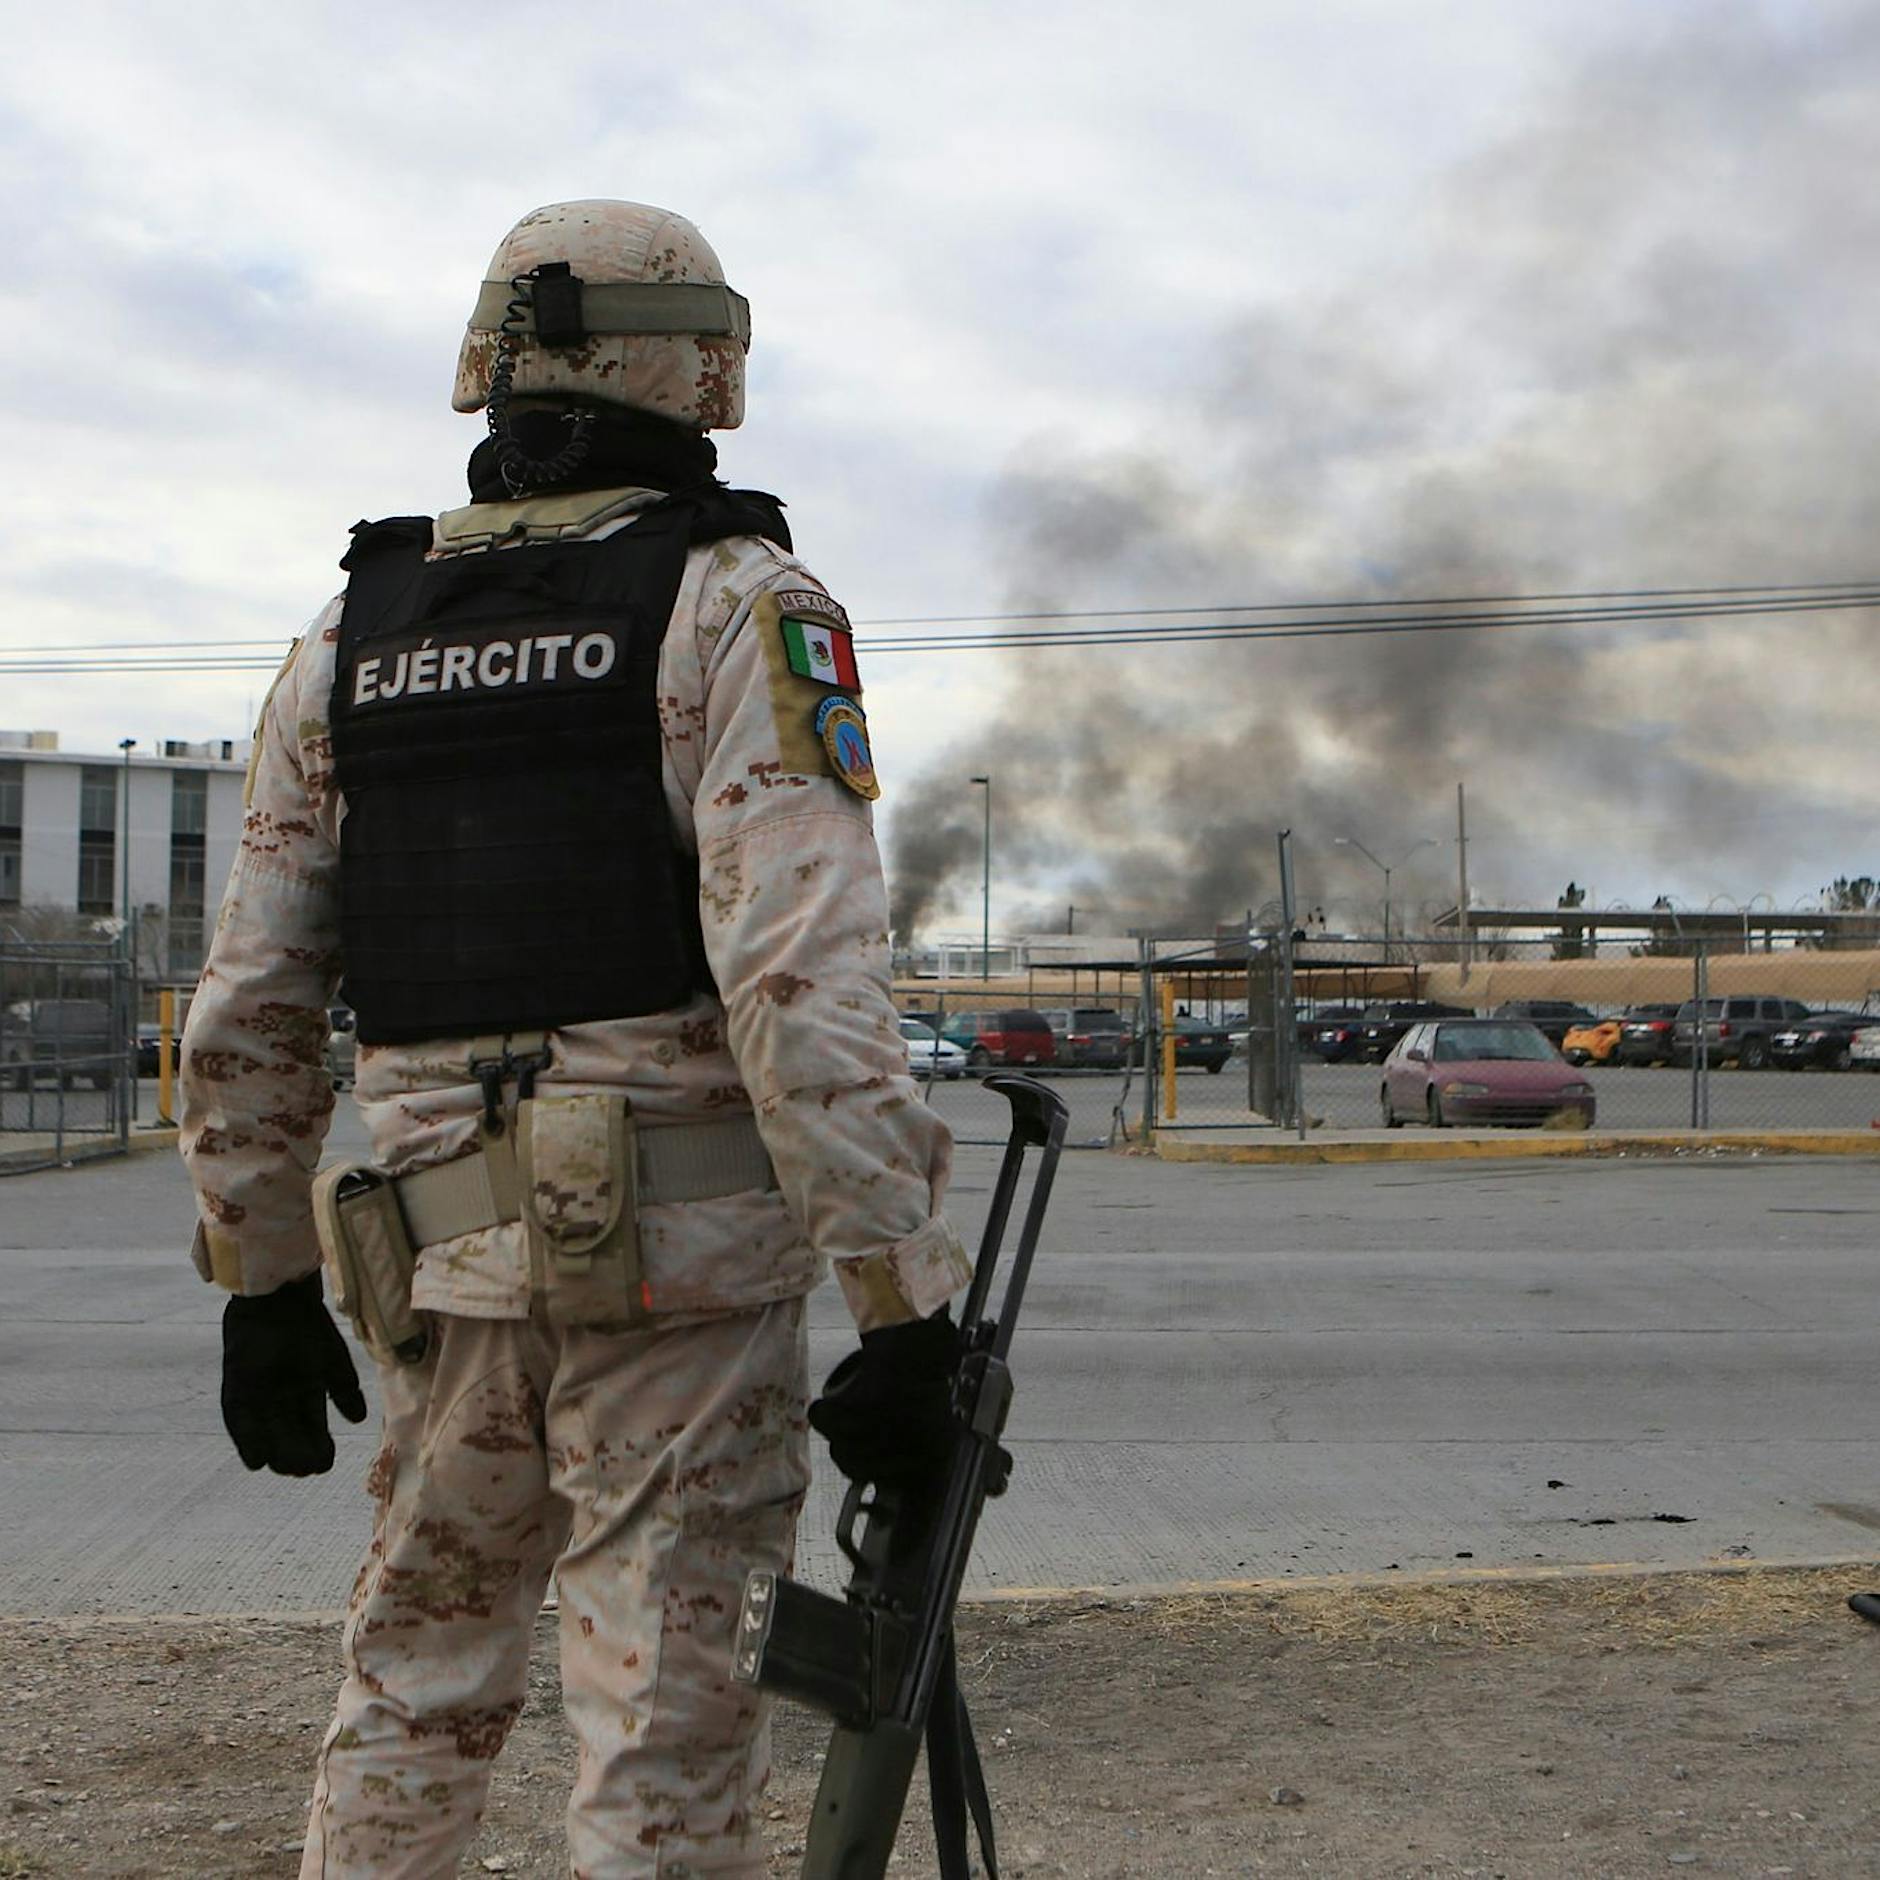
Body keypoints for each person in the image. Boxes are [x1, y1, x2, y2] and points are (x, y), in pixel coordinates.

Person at [179, 199, 971, 1878]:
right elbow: (799, 986)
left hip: (429, 1266)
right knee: (666, 1720)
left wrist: (256, 1277)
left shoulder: (348, 641)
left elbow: (251, 994)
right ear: (700, 367)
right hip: (676, 1284)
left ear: (491, 366)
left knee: (412, 1687)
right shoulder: (736, 602)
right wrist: (901, 1304)